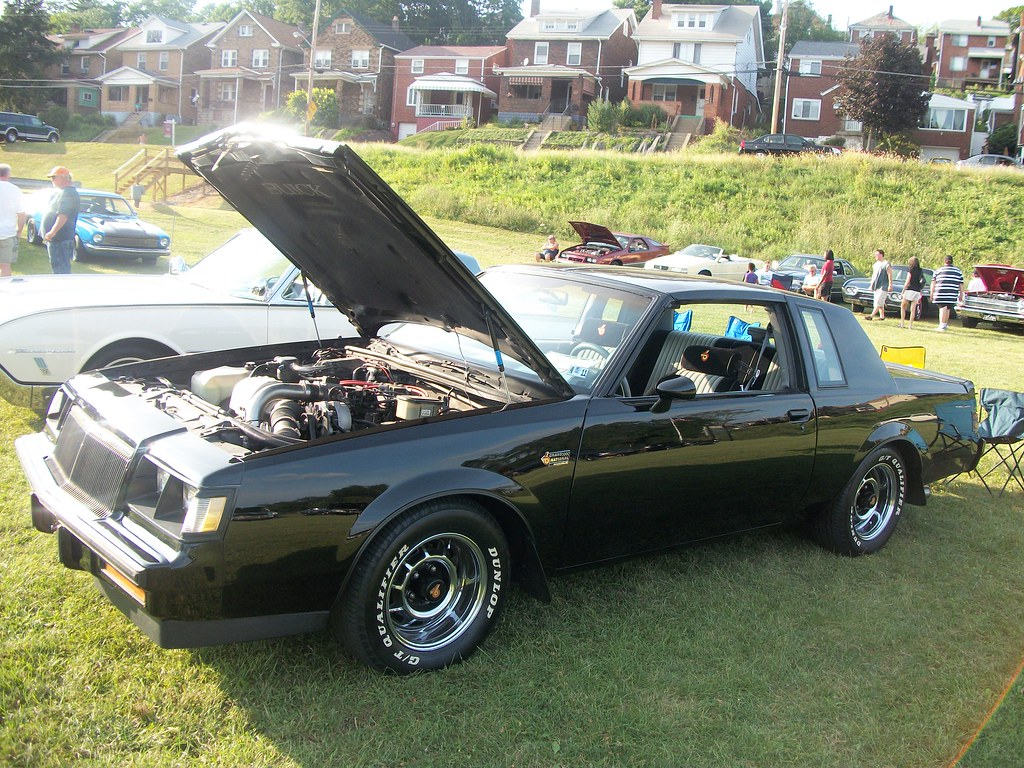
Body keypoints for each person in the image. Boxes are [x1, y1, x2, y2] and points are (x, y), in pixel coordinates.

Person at [41, 166, 80, 275]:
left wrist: (52, 232)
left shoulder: (68, 193)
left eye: (54, 177)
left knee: (60, 270)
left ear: (64, 178)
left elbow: (63, 216)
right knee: (59, 268)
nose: (52, 180)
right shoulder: (64, 192)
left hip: (60, 238)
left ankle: (61, 289)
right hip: (58, 239)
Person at [0, 163, 27, 278]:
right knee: (5, 265)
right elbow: (21, 214)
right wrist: (19, 230)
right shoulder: (15, 190)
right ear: (7, 174)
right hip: (8, 232)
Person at [931, 255, 964, 332]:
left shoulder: (939, 270)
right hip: (952, 293)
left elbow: (933, 283)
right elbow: (961, 284)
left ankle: (941, 325)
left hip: (940, 292)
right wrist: (961, 294)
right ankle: (944, 324)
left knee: (942, 308)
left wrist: (932, 293)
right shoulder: (958, 271)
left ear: (944, 261)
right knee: (948, 308)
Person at [865, 248, 892, 321]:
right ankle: (882, 316)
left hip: (884, 285)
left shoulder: (886, 264)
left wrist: (890, 284)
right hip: (876, 285)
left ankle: (871, 316)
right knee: (878, 301)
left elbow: (890, 274)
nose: (875, 256)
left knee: (879, 301)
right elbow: (874, 275)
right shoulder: (875, 264)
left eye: (876, 254)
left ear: (881, 255)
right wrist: (871, 284)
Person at [899, 256, 925, 329]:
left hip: (909, 289)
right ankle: (910, 325)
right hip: (917, 290)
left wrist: (903, 291)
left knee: (903, 306)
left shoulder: (910, 270)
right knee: (913, 309)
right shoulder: (920, 271)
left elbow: (907, 282)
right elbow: (922, 281)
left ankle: (902, 323)